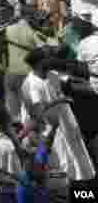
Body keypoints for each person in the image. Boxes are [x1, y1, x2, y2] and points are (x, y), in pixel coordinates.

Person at [21, 49, 96, 181]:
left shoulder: (51, 74)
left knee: (79, 155)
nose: (50, 60)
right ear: (39, 63)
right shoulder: (30, 85)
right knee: (64, 160)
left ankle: (85, 183)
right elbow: (38, 112)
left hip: (67, 122)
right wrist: (59, 100)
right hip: (51, 130)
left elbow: (69, 81)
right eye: (46, 58)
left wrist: (89, 87)